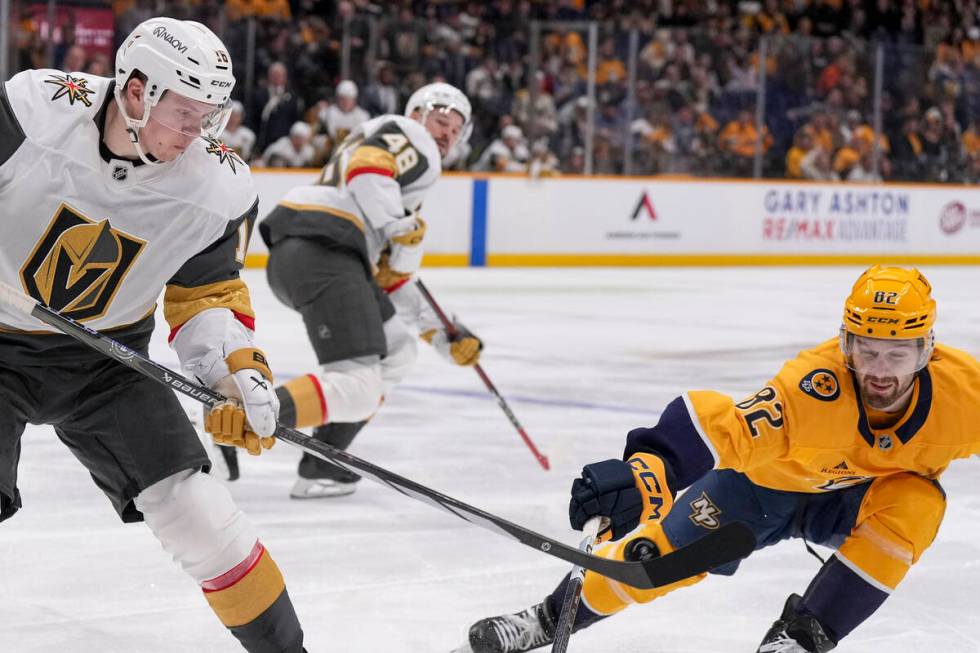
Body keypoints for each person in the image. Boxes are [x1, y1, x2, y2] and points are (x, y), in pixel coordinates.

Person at [458, 265, 980, 653]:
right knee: (654, 560)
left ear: (927, 350)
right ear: (846, 344)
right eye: (867, 351)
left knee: (918, 505)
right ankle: (546, 619)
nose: (880, 371)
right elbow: (721, 425)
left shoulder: (966, 397)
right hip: (759, 489)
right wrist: (649, 471)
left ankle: (801, 637)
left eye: (898, 354)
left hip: (858, 499)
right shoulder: (814, 389)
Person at [0, 17, 306, 652]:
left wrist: (234, 371)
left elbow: (207, 296)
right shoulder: (34, 110)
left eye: (212, 115)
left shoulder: (218, 186)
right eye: (188, 113)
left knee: (203, 518)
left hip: (105, 361)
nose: (201, 134)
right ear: (136, 91)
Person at [257, 82, 483, 499]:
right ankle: (243, 415)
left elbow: (393, 281)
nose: (446, 134)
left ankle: (323, 461)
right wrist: (396, 222)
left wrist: (443, 333)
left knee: (398, 349)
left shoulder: (399, 181)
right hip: (328, 248)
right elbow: (368, 166)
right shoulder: (413, 139)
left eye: (455, 130)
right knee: (359, 388)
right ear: (417, 115)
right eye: (441, 121)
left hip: (310, 250)